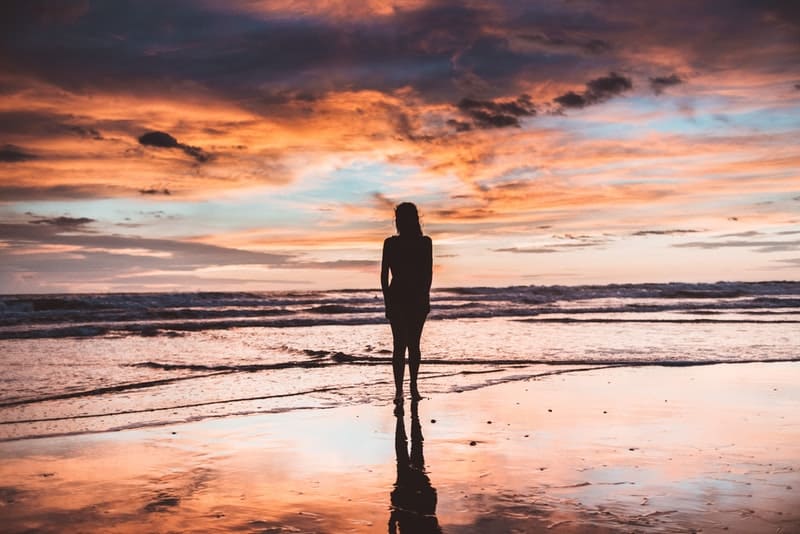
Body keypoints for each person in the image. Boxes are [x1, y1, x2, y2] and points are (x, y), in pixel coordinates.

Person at [381, 202, 432, 405]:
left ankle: (404, 389)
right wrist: (425, 297)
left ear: (399, 220)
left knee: (402, 346)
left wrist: (387, 301)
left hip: (404, 297)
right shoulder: (421, 242)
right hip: (411, 297)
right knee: (410, 346)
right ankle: (406, 389)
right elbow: (427, 275)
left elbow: (385, 276)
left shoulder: (420, 242)